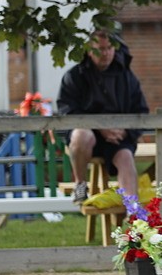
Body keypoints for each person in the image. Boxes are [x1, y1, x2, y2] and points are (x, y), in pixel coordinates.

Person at [56, 29, 149, 205]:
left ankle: (134, 215)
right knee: (81, 135)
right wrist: (99, 127)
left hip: (118, 138)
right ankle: (80, 185)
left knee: (126, 158)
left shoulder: (127, 77)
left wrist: (126, 132)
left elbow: (141, 111)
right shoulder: (75, 76)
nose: (105, 53)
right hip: (86, 136)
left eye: (109, 48)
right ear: (90, 50)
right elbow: (66, 112)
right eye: (100, 49)